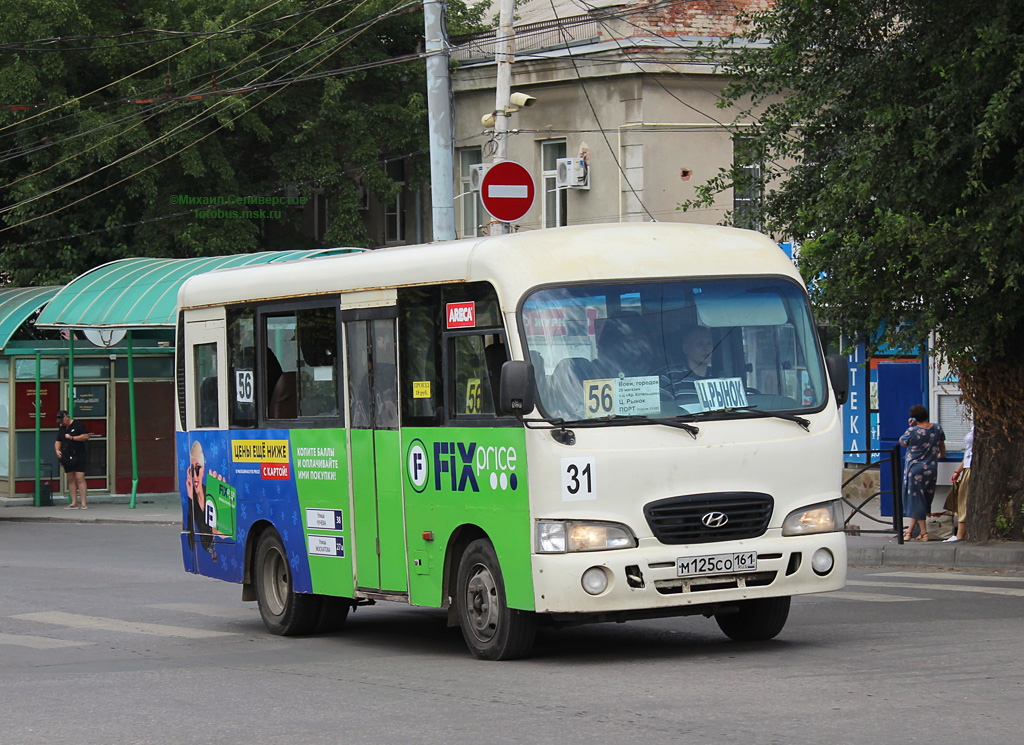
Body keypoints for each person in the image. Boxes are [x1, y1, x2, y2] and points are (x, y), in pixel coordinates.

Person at [899, 404, 946, 541]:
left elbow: (902, 442)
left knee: (916, 500)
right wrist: (941, 455)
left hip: (915, 469)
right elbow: (942, 444)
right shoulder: (937, 428)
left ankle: (924, 533)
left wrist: (911, 426)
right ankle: (909, 531)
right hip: (931, 468)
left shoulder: (912, 431)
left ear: (914, 417)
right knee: (924, 499)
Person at [661, 325, 715, 400]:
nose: (706, 348)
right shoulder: (670, 377)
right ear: (686, 348)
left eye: (709, 343)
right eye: (699, 344)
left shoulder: (721, 377)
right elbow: (664, 410)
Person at [54, 409, 89, 509]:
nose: (62, 423)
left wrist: (72, 438)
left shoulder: (78, 425)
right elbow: (58, 441)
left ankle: (83, 502)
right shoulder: (62, 429)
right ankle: (74, 502)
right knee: (71, 479)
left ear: (67, 417)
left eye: (62, 420)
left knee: (79, 478)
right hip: (67, 456)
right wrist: (57, 450)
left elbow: (86, 436)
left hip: (78, 454)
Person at [945, 425, 974, 543]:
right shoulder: (975, 426)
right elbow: (967, 452)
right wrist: (958, 470)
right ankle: (961, 533)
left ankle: (960, 534)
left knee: (963, 499)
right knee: (961, 498)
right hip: (967, 466)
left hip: (972, 467)